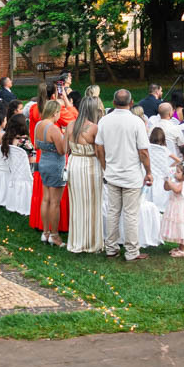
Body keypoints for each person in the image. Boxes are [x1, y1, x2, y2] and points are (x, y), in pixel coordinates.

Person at [95, 89, 152, 261]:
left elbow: (99, 148)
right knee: (130, 214)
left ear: (113, 103)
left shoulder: (104, 121)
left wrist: (105, 167)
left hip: (112, 173)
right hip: (131, 175)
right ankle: (132, 251)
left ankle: (111, 248)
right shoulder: (137, 122)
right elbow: (143, 151)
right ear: (131, 102)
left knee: (113, 212)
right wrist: (148, 172)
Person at [66, 96, 105, 254]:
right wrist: (105, 167)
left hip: (74, 164)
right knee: (92, 204)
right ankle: (91, 242)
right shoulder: (94, 128)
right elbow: (99, 152)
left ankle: (77, 240)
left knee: (76, 204)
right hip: (90, 166)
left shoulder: (70, 125)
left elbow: (65, 149)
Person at [35, 101, 68, 247]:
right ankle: (54, 235)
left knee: (46, 199)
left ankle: (46, 232)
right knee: (55, 202)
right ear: (55, 113)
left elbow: (37, 145)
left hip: (43, 162)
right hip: (55, 165)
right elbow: (62, 150)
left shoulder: (38, 125)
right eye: (59, 112)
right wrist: (65, 137)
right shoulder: (54, 129)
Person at [160, 151, 184, 258]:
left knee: (182, 227)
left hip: (181, 208)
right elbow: (166, 188)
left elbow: (176, 190)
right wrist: (166, 180)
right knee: (177, 226)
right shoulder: (176, 182)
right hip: (174, 207)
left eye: (178, 172)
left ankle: (182, 250)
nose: (175, 173)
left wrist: (170, 181)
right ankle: (179, 247)